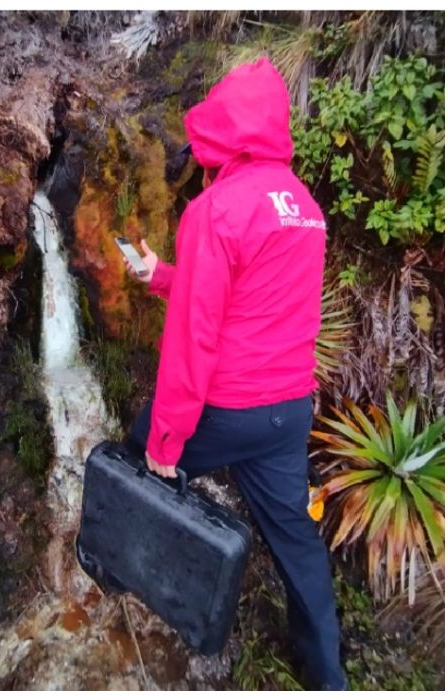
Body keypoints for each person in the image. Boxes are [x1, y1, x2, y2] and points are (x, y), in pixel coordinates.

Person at [123, 58, 345, 689]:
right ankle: (326, 674)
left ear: (228, 129)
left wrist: (168, 438)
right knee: (296, 542)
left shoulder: (216, 210)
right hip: (286, 413)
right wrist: (162, 274)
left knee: (137, 454)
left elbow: (195, 339)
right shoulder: (303, 205)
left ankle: (128, 574)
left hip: (228, 409)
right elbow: (250, 301)